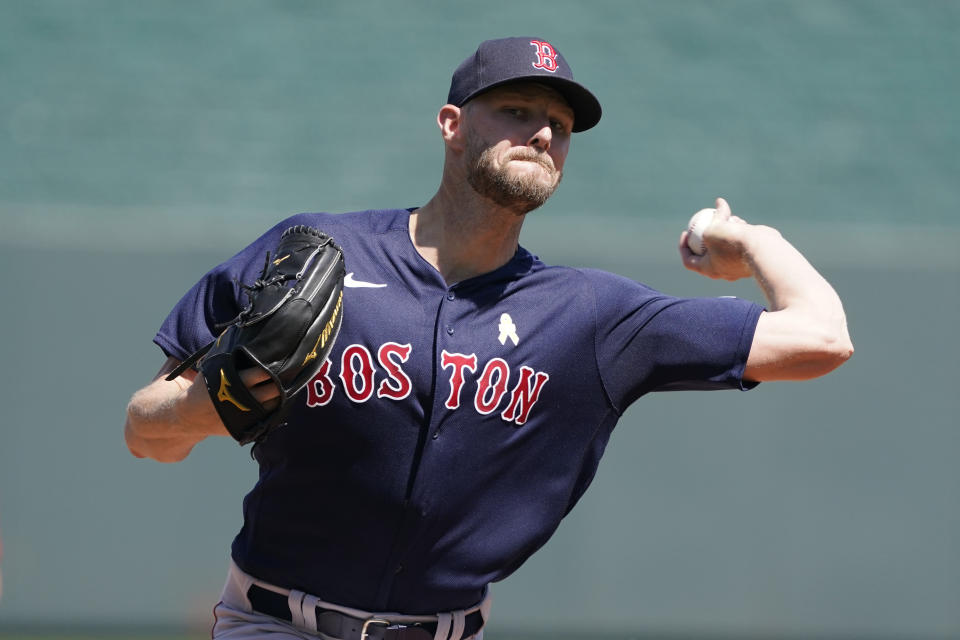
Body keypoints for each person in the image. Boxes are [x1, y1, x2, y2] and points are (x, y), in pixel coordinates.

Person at [124, 37, 852, 640]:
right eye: (515, 110)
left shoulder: (591, 316)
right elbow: (144, 429)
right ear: (451, 124)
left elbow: (822, 339)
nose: (542, 132)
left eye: (559, 126)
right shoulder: (316, 254)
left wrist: (751, 239)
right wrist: (217, 401)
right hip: (275, 624)